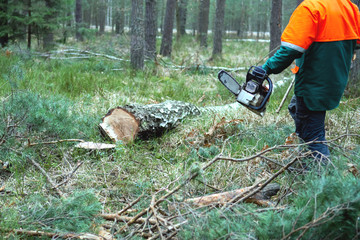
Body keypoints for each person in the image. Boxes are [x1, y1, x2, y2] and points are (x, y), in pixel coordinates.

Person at [261, 0, 360, 163]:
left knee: (313, 137)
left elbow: (290, 50)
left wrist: (265, 68)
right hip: (334, 81)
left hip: (312, 84)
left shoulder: (311, 8)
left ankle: (319, 180)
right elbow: (355, 42)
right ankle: (303, 158)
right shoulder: (349, 7)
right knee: (296, 109)